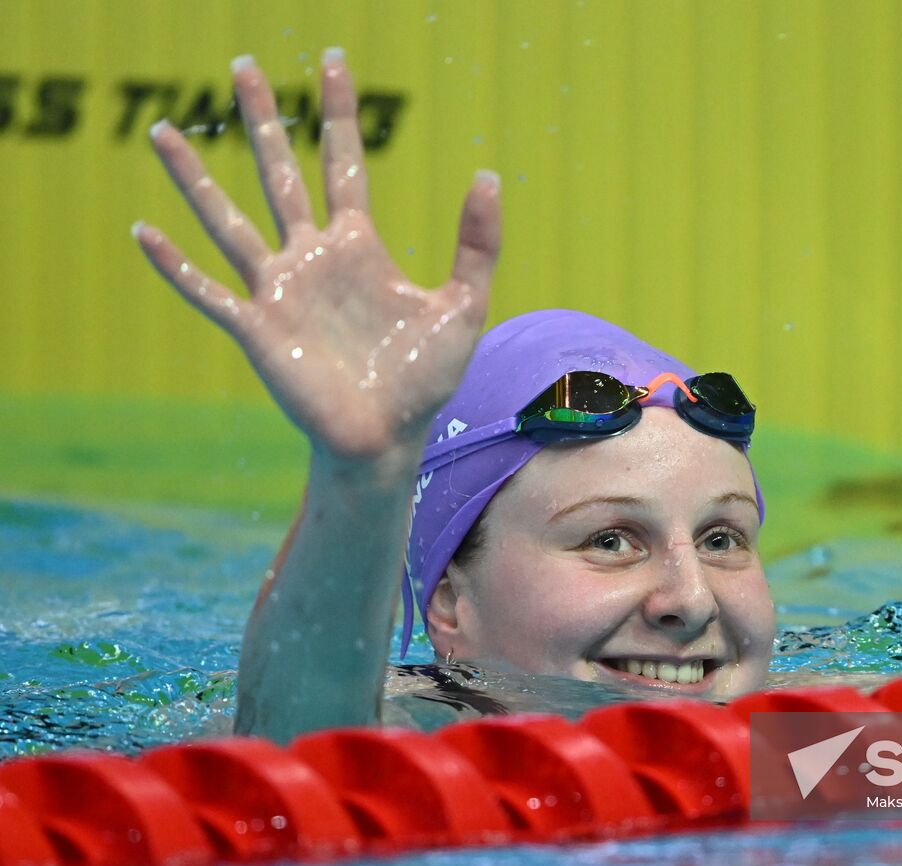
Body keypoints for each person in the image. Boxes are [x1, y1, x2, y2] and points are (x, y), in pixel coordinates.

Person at [133, 50, 776, 743]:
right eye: (611, 539)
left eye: (721, 538)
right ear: (448, 604)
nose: (692, 599)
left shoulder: (834, 735)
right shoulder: (416, 735)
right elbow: (298, 757)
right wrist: (364, 476)